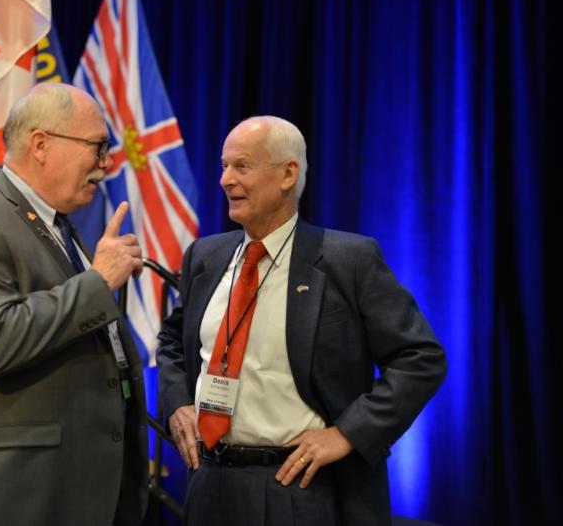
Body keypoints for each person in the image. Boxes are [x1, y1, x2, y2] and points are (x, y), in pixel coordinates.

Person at [157, 116, 447, 525]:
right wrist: (178, 403)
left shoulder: (348, 260)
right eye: (223, 166)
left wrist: (348, 433)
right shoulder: (205, 256)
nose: (225, 179)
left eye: (241, 166)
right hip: (209, 484)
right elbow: (172, 340)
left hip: (298, 488)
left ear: (288, 174)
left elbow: (420, 358)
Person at [0, 83, 148, 526]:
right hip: (15, 492)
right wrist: (98, 281)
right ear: (41, 144)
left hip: (73, 483)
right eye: (97, 146)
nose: (106, 162)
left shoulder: (57, 224)